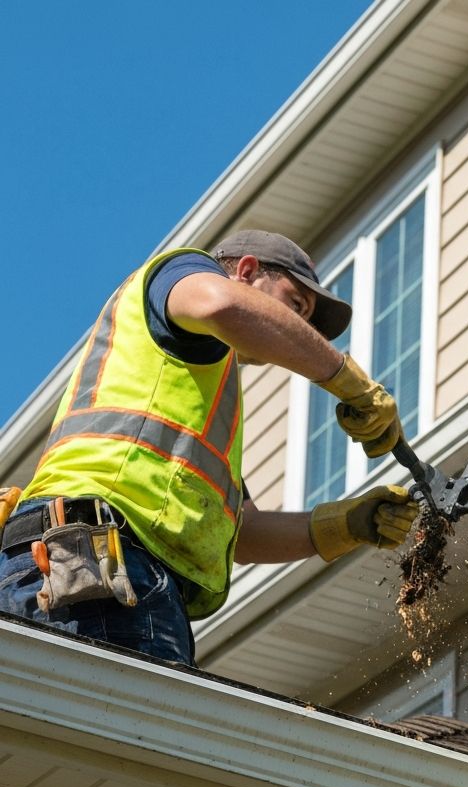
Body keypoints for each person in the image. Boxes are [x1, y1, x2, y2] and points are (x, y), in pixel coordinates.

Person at [0, 230, 418, 666]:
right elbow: (224, 304)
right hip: (96, 558)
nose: (299, 328)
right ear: (248, 271)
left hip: (102, 566)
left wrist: (349, 524)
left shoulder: (199, 398)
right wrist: (348, 380)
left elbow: (246, 532)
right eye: (295, 306)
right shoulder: (180, 274)